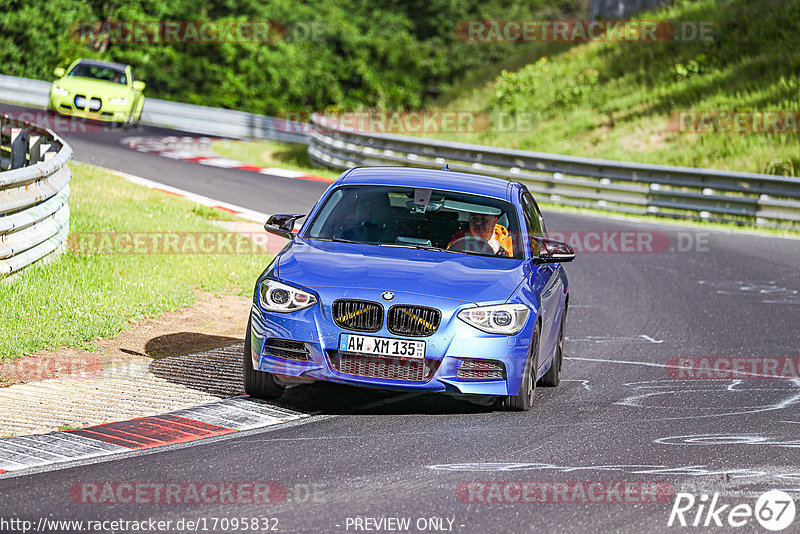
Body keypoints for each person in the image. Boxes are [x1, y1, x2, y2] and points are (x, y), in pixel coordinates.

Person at [447, 211, 513, 256]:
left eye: (484, 219)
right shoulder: (459, 241)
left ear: (494, 222)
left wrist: (501, 252)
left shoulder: (509, 242)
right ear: (469, 220)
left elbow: (514, 265)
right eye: (473, 218)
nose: (478, 223)